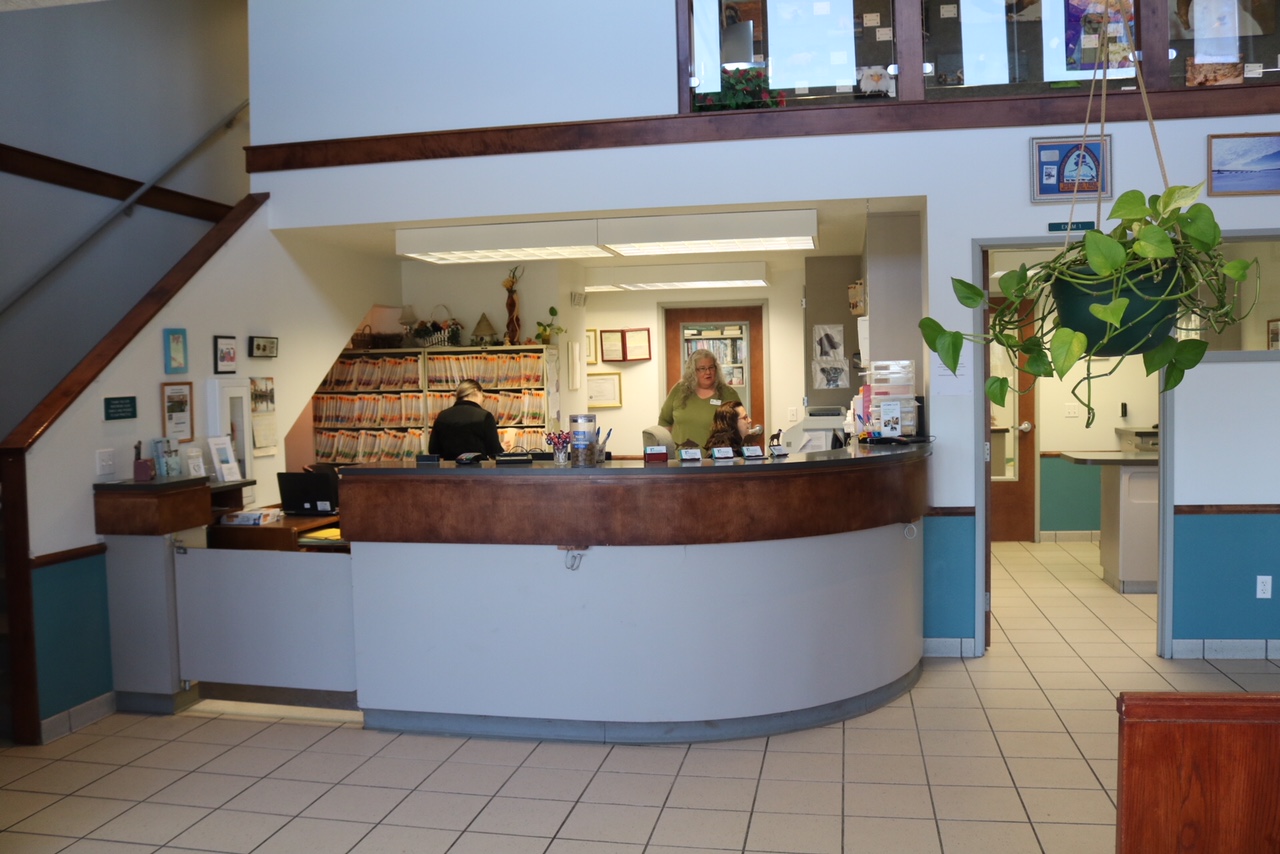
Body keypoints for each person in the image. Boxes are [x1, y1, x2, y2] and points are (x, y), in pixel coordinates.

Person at [658, 349, 741, 448]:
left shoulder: (729, 393)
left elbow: (741, 425)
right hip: (681, 459)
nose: (708, 372)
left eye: (711, 367)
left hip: (717, 460)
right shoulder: (679, 390)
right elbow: (664, 421)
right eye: (702, 368)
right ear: (693, 371)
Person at [427, 379, 504, 459]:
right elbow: (494, 452)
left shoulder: (442, 416)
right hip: (477, 469)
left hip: (449, 469)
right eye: (482, 395)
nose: (483, 399)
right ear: (476, 391)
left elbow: (433, 450)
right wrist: (500, 448)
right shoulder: (485, 416)